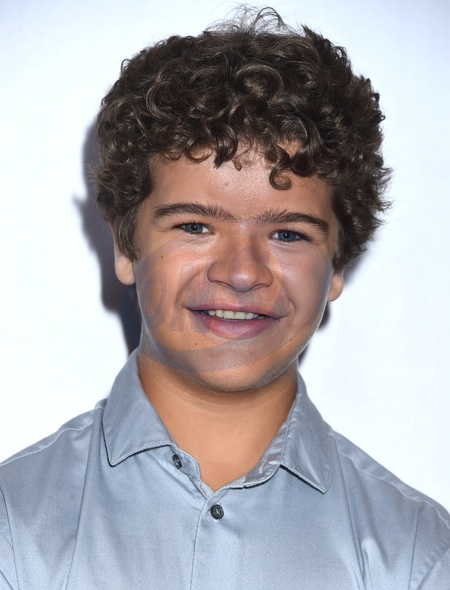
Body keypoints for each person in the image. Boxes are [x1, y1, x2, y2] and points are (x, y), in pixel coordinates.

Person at [0, 6, 449, 589]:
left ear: (338, 264)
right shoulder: (14, 526)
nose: (241, 273)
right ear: (126, 246)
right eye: (195, 226)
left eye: (287, 234)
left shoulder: (417, 556)